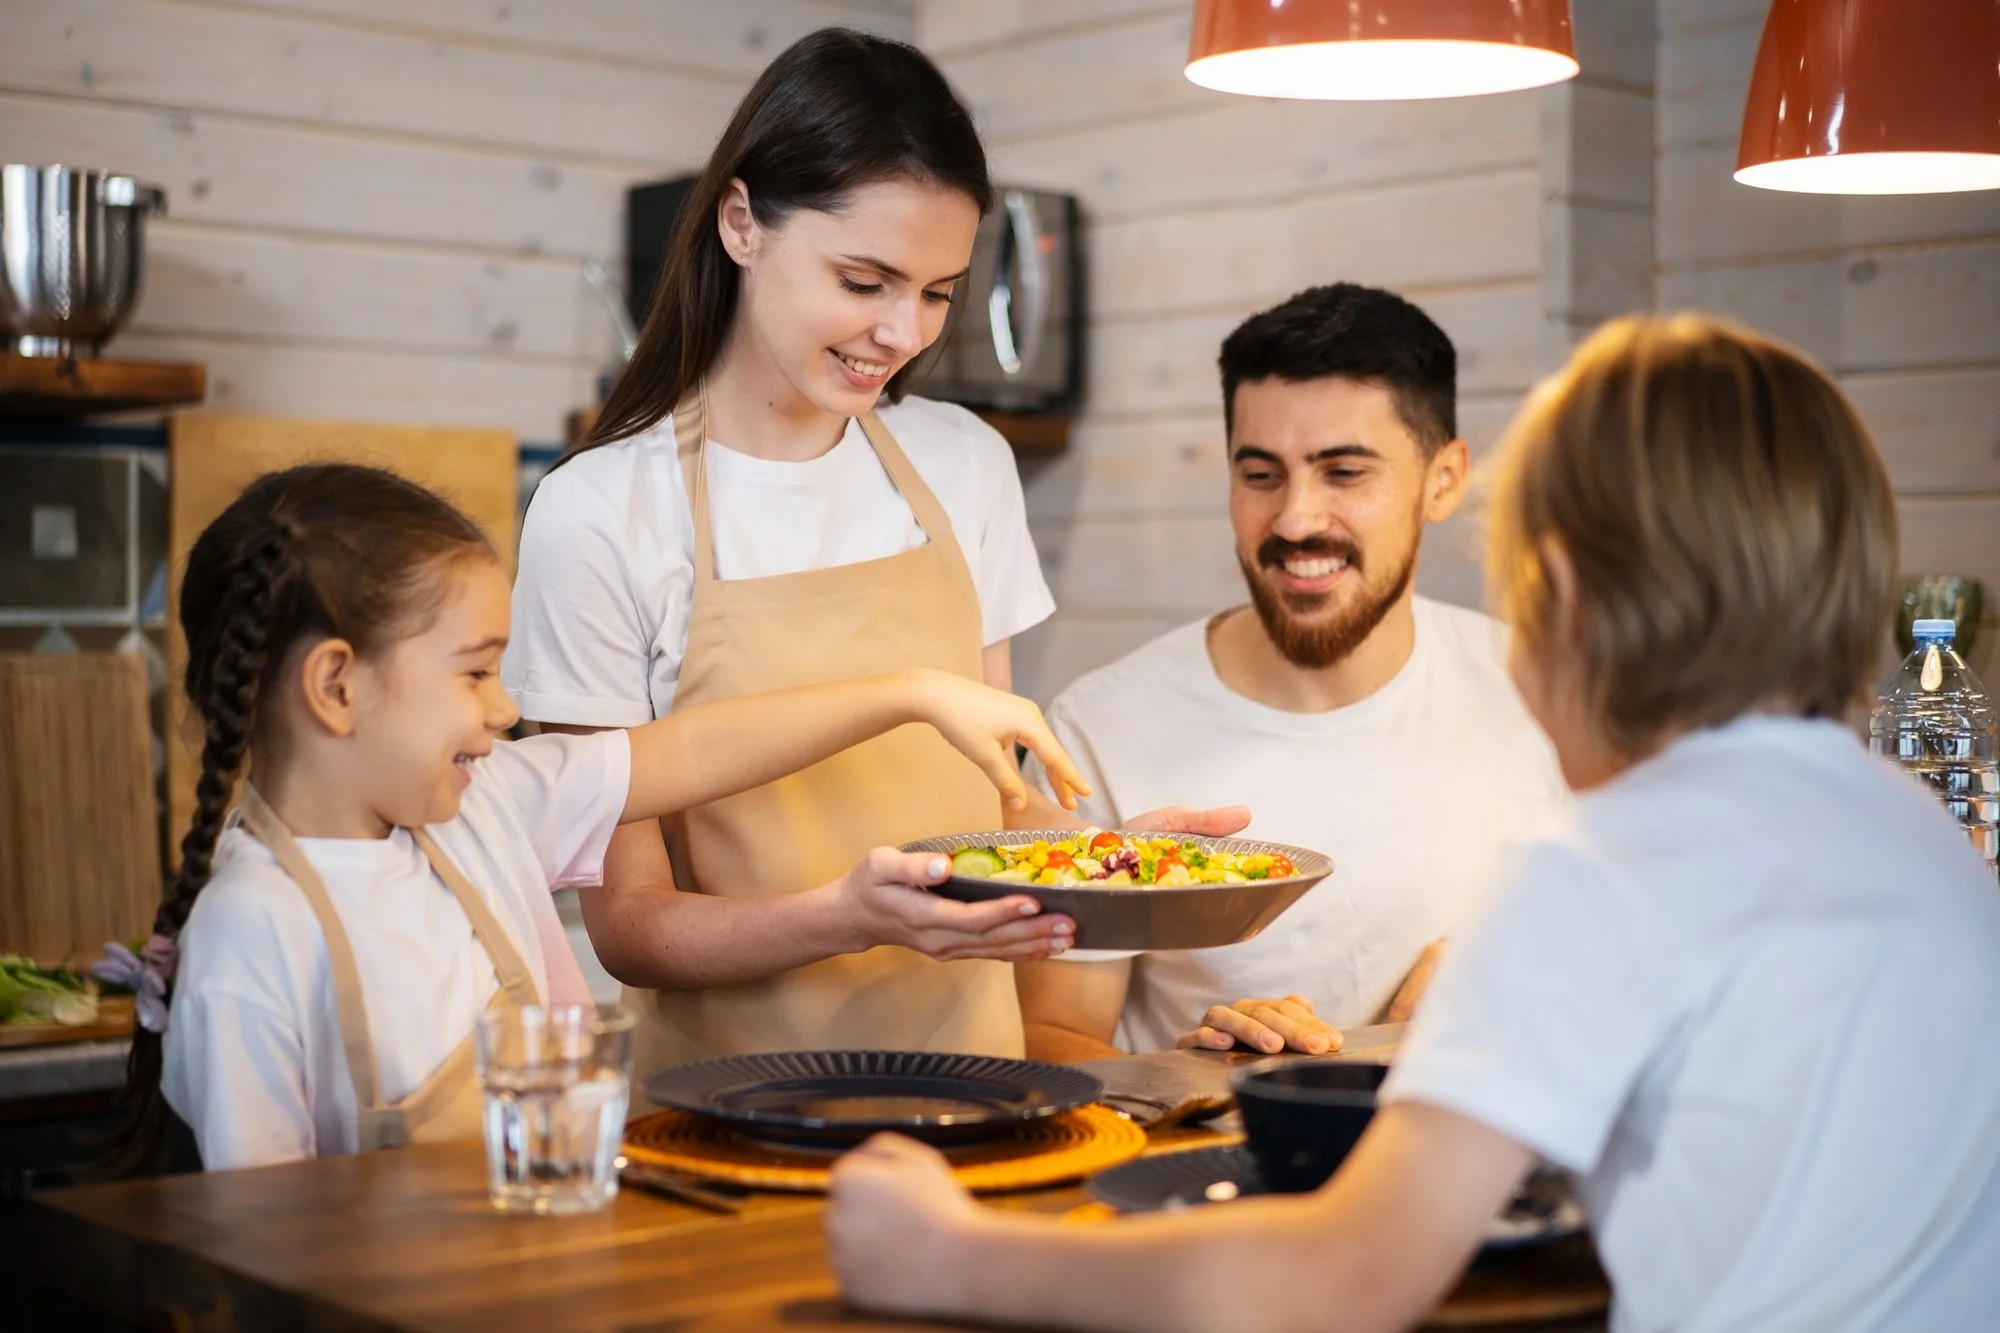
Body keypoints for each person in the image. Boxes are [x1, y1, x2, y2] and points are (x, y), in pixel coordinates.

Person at [826, 315, 2000, 1332]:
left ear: (1565, 599)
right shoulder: (1927, 840)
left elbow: (1343, 1282)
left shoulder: (1602, 865)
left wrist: (942, 1252)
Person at [504, 28, 1234, 1074]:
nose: (902, 333)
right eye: (864, 281)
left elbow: (999, 810)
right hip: (724, 1121)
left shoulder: (962, 464)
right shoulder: (600, 511)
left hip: (978, 1093)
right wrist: (852, 915)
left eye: (936, 292)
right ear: (742, 222)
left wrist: (1111, 867)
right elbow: (631, 927)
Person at [129, 463, 1088, 1172]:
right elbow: (249, 1251)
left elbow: (694, 750)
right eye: (473, 673)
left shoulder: (487, 806)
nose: (505, 710)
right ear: (336, 685)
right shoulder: (253, 929)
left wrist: (913, 692)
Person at [1019, 284, 1563, 1063]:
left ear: (1443, 481)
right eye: (1262, 474)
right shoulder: (1100, 729)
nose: (1297, 519)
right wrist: (1197, 1072)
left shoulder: (1547, 695)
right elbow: (1048, 1042)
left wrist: (1512, 972)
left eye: (1344, 472)